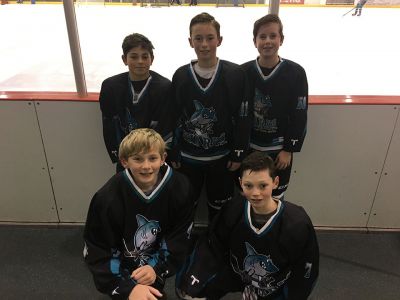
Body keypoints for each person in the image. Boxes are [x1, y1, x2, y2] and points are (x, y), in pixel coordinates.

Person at [176, 151, 319, 300]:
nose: (255, 193)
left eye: (263, 185)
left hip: (271, 282)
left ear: (275, 182)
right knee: (191, 292)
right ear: (240, 183)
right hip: (237, 271)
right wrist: (194, 282)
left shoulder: (297, 223)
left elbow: (306, 269)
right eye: (248, 185)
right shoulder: (233, 210)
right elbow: (212, 246)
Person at [84, 128, 195, 300]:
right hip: (121, 267)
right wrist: (126, 288)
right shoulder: (106, 198)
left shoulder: (180, 187)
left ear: (163, 158)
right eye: (137, 159)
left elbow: (179, 236)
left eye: (152, 158)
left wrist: (155, 268)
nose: (146, 166)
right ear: (124, 161)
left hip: (155, 263)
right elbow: (98, 248)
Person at [168, 12, 251, 222]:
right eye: (198, 38)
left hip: (222, 158)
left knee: (220, 208)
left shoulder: (235, 74)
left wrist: (238, 152)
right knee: (185, 206)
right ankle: (184, 248)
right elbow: (174, 116)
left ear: (219, 40)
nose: (204, 44)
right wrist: (173, 151)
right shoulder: (180, 75)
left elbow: (243, 116)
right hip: (188, 158)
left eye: (210, 38)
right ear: (190, 41)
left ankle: (217, 246)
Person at [241, 14, 308, 200]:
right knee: (249, 194)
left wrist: (289, 149)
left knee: (276, 196)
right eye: (262, 37)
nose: (268, 41)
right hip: (250, 147)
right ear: (254, 41)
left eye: (273, 36)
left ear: (282, 39)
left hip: (279, 151)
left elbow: (299, 114)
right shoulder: (243, 72)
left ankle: (273, 228)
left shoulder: (296, 73)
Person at [99, 33, 171, 173]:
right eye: (133, 56)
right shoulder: (110, 86)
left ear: (152, 59)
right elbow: (109, 125)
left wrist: (153, 156)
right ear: (124, 59)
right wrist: (120, 155)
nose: (140, 61)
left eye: (145, 56)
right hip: (127, 157)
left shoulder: (164, 87)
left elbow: (166, 126)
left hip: (153, 158)